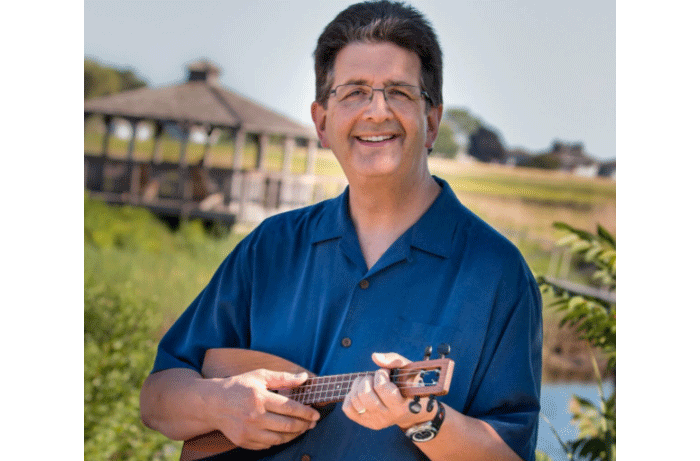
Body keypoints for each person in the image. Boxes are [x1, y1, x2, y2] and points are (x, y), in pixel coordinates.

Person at [140, 1, 542, 460]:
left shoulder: (498, 274)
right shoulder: (269, 247)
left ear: (431, 122)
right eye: (353, 92)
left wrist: (426, 421)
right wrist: (220, 403)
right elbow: (157, 400)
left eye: (398, 92)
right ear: (321, 122)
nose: (376, 112)